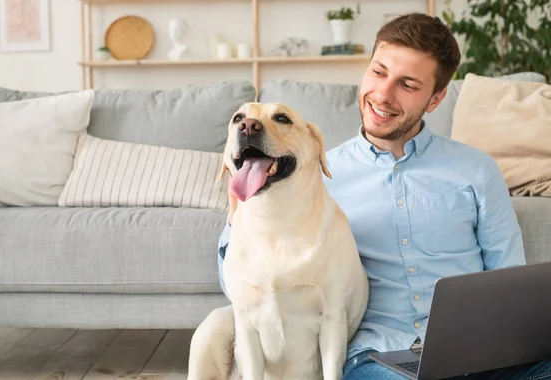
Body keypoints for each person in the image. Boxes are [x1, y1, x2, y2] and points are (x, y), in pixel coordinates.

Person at [217, 12, 551, 380]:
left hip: (482, 354)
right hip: (381, 357)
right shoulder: (314, 172)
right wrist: (238, 212)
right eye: (378, 72)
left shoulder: (477, 171)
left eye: (407, 84)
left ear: (436, 98)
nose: (383, 95)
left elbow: (510, 279)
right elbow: (243, 283)